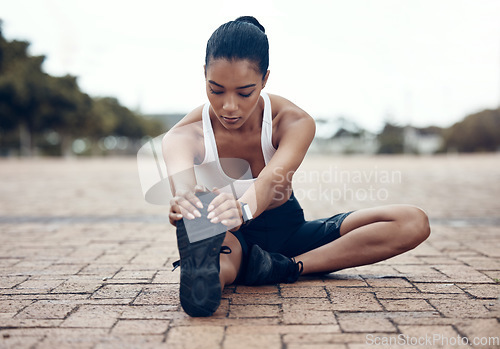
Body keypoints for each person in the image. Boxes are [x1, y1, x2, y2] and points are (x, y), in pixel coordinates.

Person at [162, 16, 430, 317]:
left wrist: (243, 209)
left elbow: (272, 180)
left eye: (245, 92)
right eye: (216, 89)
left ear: (265, 79)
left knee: (411, 221)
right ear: (204, 76)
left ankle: (287, 267)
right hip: (231, 238)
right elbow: (183, 186)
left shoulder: (293, 122)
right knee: (219, 258)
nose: (229, 106)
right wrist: (186, 205)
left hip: (289, 233)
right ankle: (209, 274)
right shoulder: (184, 136)